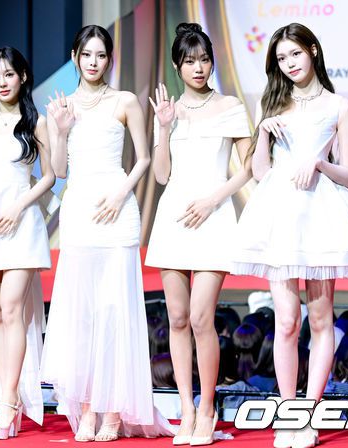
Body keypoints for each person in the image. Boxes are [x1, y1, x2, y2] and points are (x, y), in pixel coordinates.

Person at [233, 22, 348, 448]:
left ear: (312, 50)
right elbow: (261, 173)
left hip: (321, 215)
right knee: (287, 320)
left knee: (320, 318)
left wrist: (319, 163)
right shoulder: (273, 103)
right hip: (280, 217)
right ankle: (289, 413)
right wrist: (264, 131)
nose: (289, 63)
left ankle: (309, 416)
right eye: (281, 58)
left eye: (295, 53)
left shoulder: (340, 106)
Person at [40, 24, 174, 442]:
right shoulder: (61, 106)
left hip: (118, 213)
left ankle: (113, 412)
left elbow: (143, 159)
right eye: (86, 54)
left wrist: (120, 193)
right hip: (79, 213)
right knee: (81, 315)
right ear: (75, 57)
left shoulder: (124, 100)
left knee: (115, 312)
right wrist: (61, 130)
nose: (93, 62)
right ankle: (85, 410)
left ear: (110, 59)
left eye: (101, 55)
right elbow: (59, 171)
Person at [144, 22, 252, 445]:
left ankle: (208, 407)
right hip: (173, 219)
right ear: (177, 66)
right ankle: (186, 410)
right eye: (190, 61)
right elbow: (161, 175)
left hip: (214, 218)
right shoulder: (168, 111)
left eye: (205, 59)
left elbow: (249, 167)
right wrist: (163, 128)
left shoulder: (230, 106)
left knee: (202, 317)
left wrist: (213, 200)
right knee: (177, 318)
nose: (199, 67)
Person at [0, 46, 54, 439]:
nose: (2, 82)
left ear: (23, 77)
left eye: (9, 74)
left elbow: (50, 176)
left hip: (22, 224)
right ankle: (8, 398)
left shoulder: (36, 122)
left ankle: (8, 402)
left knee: (13, 308)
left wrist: (19, 206)